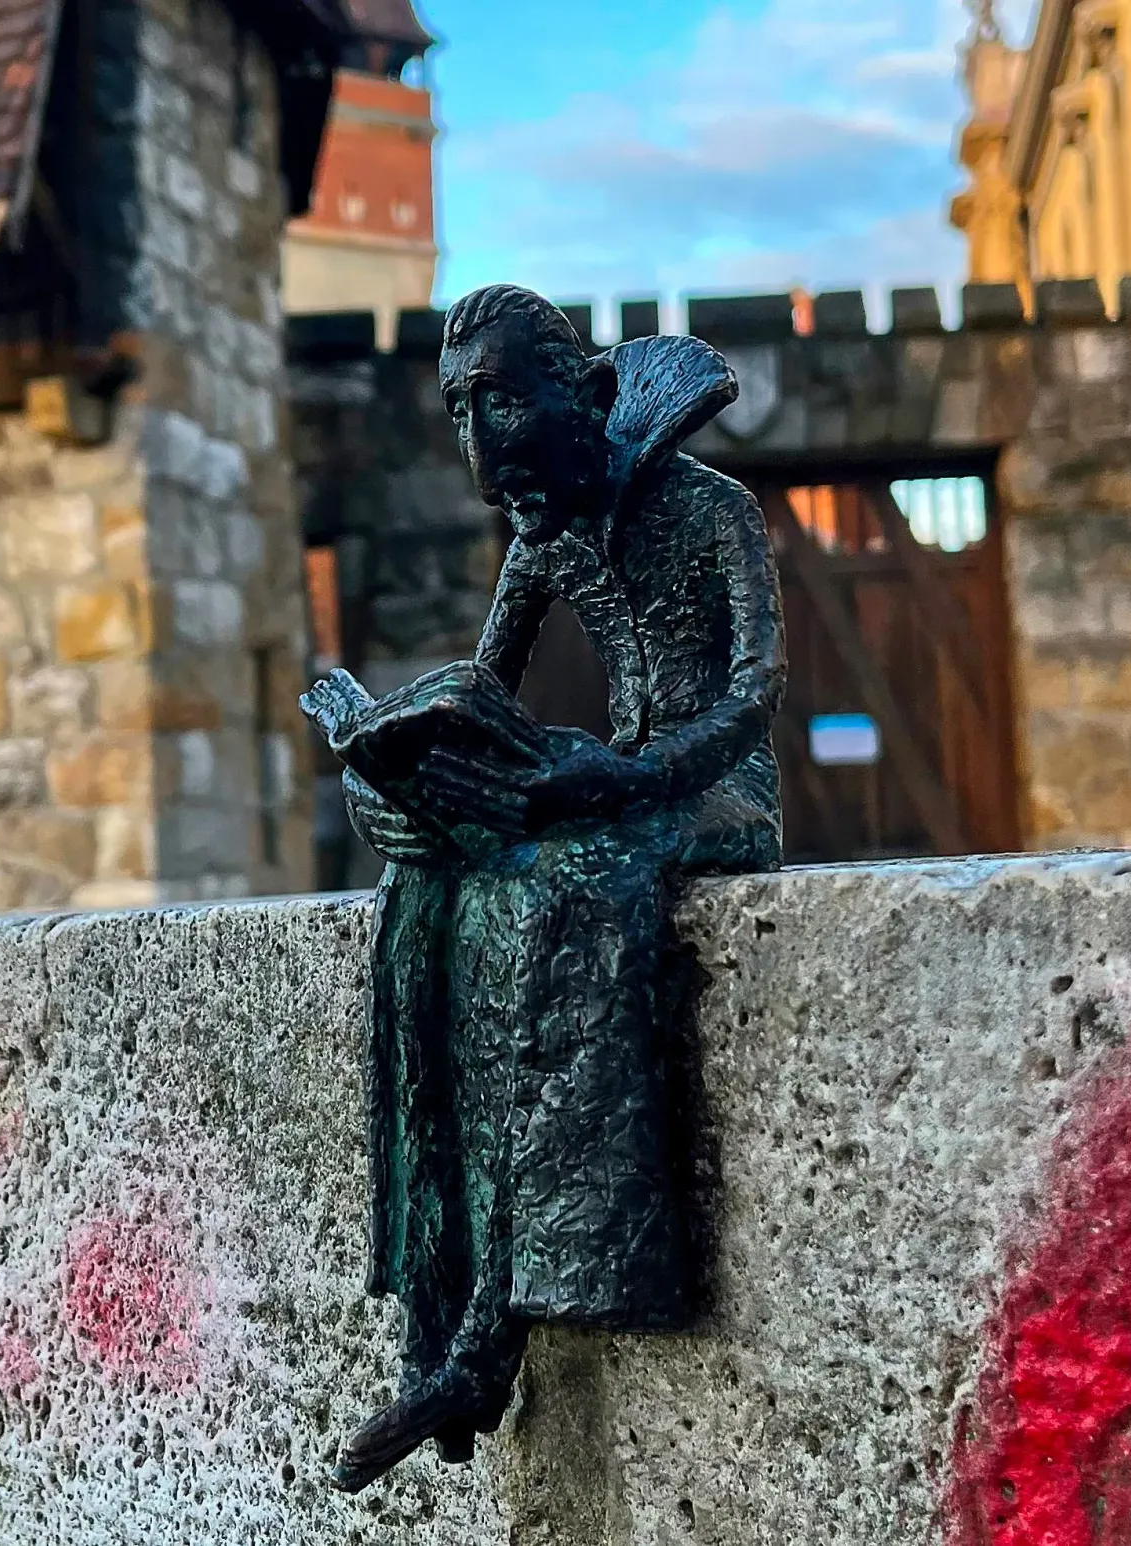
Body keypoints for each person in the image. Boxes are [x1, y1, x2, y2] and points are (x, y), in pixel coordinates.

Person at [305, 285, 786, 1492]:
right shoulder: (544, 534)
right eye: (461, 418)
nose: (486, 460)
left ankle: (492, 1333)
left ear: (589, 394)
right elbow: (480, 692)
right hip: (611, 787)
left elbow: (750, 702)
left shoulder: (711, 511)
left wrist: (624, 776)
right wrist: (400, 787)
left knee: (575, 878)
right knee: (422, 899)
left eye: (500, 409)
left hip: (708, 794)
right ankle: (436, 1302)